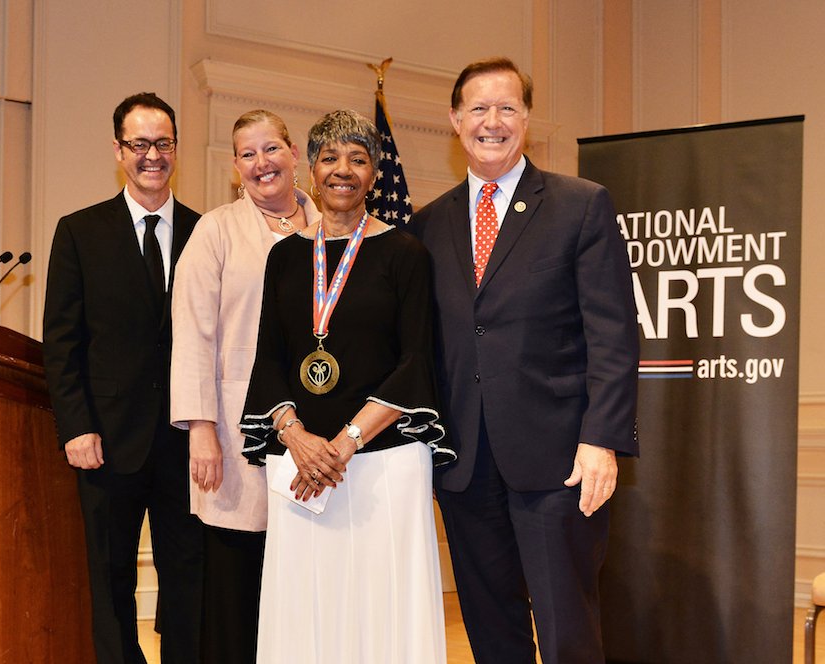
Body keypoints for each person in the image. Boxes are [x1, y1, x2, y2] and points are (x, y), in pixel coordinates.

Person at [408, 57, 639, 664]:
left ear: (527, 119)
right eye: (478, 109)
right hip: (463, 465)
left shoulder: (580, 205)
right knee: (490, 630)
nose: (493, 121)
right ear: (455, 121)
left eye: (507, 107)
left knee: (568, 633)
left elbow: (613, 335)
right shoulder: (425, 227)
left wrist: (602, 440)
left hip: (561, 463)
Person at [239, 109, 455, 664]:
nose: (343, 170)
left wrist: (344, 443)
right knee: (306, 606)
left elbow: (414, 361)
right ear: (310, 170)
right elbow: (269, 360)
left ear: (373, 174)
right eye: (330, 158)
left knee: (383, 607)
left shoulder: (406, 253)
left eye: (358, 159)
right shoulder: (285, 257)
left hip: (384, 460)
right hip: (301, 463)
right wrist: (296, 438)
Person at [43, 92, 203, 664]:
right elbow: (62, 343)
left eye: (162, 143)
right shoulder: (79, 232)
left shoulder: (204, 233)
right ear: (119, 151)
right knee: (110, 578)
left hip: (187, 442)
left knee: (187, 574)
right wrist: (76, 426)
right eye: (139, 144)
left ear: (176, 150)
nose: (151, 155)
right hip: (106, 441)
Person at [169, 109, 321, 664]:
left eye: (271, 149)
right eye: (248, 154)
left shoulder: (330, 225)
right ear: (235, 167)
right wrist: (200, 430)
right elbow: (191, 334)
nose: (262, 163)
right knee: (238, 583)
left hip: (317, 433)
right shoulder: (215, 231)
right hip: (236, 437)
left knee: (306, 579)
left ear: (294, 153)